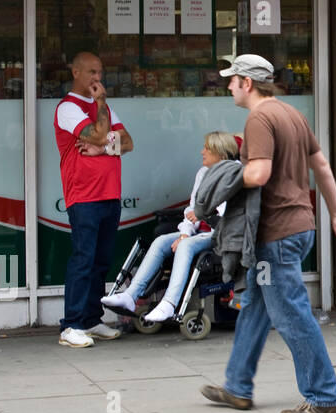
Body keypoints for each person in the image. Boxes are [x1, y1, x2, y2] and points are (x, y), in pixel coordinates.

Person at [200, 54, 336, 413]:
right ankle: (238, 387)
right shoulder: (292, 114)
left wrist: (223, 177)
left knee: (290, 314)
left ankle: (324, 396)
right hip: (299, 227)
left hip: (276, 234)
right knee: (255, 304)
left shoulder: (259, 118)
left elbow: (259, 173)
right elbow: (321, 167)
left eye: (232, 80)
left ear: (248, 83)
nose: (228, 86)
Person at [102, 131, 239, 321]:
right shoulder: (203, 173)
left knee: (186, 245)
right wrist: (184, 233)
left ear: (221, 154)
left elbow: (227, 217)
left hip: (222, 234)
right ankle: (130, 296)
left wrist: (201, 217)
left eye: (207, 148)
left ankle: (169, 303)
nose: (202, 151)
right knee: (160, 242)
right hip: (199, 231)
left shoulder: (235, 175)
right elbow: (192, 208)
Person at [56, 51, 135, 348]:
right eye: (91, 72)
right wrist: (101, 110)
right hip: (84, 194)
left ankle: (91, 319)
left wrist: (102, 149)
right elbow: (102, 134)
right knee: (83, 259)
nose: (97, 78)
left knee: (100, 261)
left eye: (100, 72)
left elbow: (127, 142)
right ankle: (71, 324)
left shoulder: (104, 108)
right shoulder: (68, 108)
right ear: (75, 72)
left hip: (110, 192)